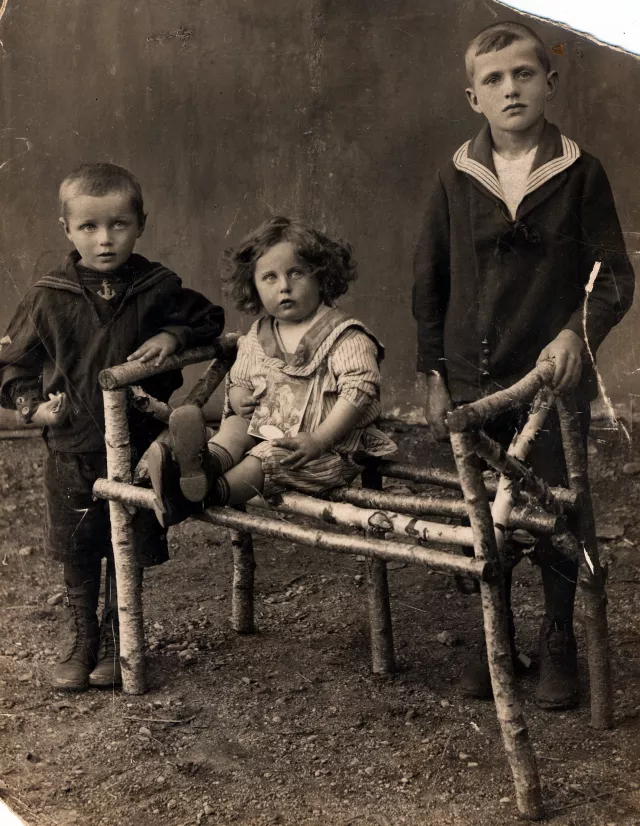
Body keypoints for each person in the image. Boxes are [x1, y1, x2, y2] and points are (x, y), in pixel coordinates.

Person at [412, 21, 634, 708]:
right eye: (494, 80)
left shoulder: (579, 171)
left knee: (554, 509)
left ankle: (561, 635)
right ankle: (497, 635)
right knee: (487, 510)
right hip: (477, 376)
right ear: (473, 97)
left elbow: (612, 278)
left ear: (549, 82)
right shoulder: (456, 176)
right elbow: (431, 277)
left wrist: (575, 334)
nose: (511, 89)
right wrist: (433, 369)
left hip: (549, 378)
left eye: (524, 75)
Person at [0, 163, 224, 691]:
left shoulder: (157, 285)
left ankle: (122, 634)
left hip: (141, 443)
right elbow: (11, 364)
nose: (104, 240)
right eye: (89, 227)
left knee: (127, 543)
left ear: (140, 223)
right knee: (80, 546)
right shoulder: (48, 295)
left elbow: (208, 319)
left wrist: (172, 335)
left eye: (118, 225)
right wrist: (31, 404)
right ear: (67, 229)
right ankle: (82, 640)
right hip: (73, 445)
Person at [147, 216, 395, 524]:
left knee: (267, 457)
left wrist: (319, 439)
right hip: (265, 431)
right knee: (237, 425)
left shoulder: (345, 336)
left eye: (296, 273)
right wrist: (239, 395)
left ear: (321, 276)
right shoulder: (260, 333)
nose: (285, 287)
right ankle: (201, 467)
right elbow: (240, 379)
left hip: (323, 452)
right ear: (253, 285)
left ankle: (207, 493)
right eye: (270, 278)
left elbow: (358, 394)